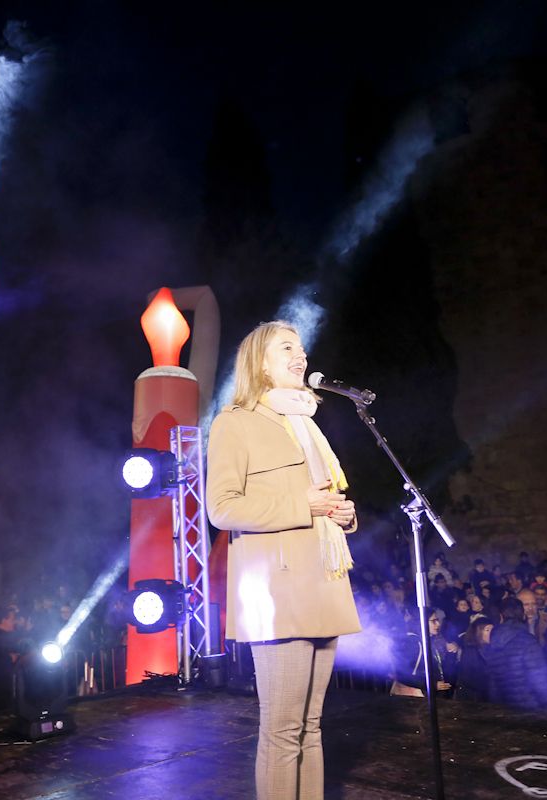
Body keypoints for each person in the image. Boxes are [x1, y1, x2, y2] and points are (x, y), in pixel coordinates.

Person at [206, 320, 359, 800]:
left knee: (310, 727)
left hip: (323, 581)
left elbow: (321, 501)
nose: (302, 356)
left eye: (302, 348)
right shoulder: (236, 421)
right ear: (261, 364)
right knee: (282, 728)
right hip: (278, 591)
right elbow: (222, 508)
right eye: (287, 348)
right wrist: (306, 505)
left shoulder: (308, 427)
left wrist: (343, 514)